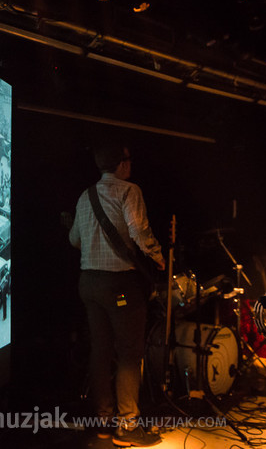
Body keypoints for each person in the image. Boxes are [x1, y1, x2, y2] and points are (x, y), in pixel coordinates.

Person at [68, 142, 165, 447]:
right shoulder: (129, 190)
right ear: (122, 164)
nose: (131, 164)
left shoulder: (85, 196)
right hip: (119, 286)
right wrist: (159, 257)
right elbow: (138, 231)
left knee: (100, 350)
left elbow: (74, 240)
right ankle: (128, 427)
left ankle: (103, 422)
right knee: (128, 354)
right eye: (129, 160)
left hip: (88, 283)